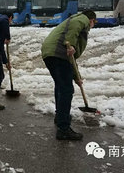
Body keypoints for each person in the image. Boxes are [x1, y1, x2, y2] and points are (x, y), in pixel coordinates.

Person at [41, 10, 97, 141]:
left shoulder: (73, 21)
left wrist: (76, 77)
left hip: (50, 53)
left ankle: (60, 116)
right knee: (66, 90)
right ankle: (64, 129)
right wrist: (70, 44)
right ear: (91, 20)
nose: (93, 26)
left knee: (61, 86)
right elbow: (71, 39)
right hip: (58, 53)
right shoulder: (81, 19)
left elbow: (71, 59)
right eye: (94, 23)